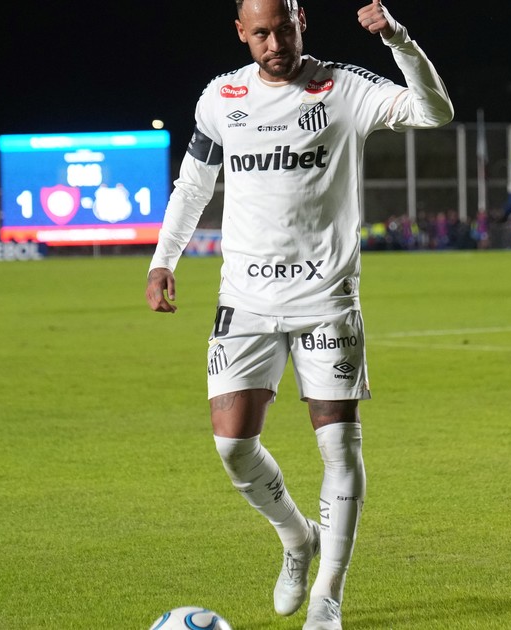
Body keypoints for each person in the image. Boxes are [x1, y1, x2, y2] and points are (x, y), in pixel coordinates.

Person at [145, 2, 452, 628]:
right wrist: (162, 260)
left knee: (338, 444)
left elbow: (434, 111)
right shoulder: (221, 98)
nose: (274, 43)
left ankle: (327, 597)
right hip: (246, 300)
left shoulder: (344, 88)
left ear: (300, 21)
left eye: (283, 29)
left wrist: (398, 39)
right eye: (260, 33)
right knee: (233, 446)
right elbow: (194, 186)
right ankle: (296, 537)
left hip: (326, 300)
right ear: (241, 32)